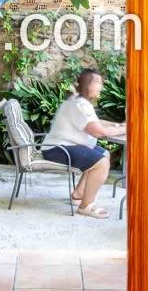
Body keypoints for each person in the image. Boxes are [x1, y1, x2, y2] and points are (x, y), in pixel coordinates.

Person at [41, 68, 124, 219]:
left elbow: (94, 122)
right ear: (87, 85)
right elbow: (98, 131)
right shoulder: (80, 104)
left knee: (103, 154)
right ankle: (86, 205)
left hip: (62, 145)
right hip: (59, 148)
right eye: (97, 82)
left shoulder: (78, 101)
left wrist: (118, 126)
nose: (101, 86)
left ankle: (78, 193)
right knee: (102, 163)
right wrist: (127, 129)